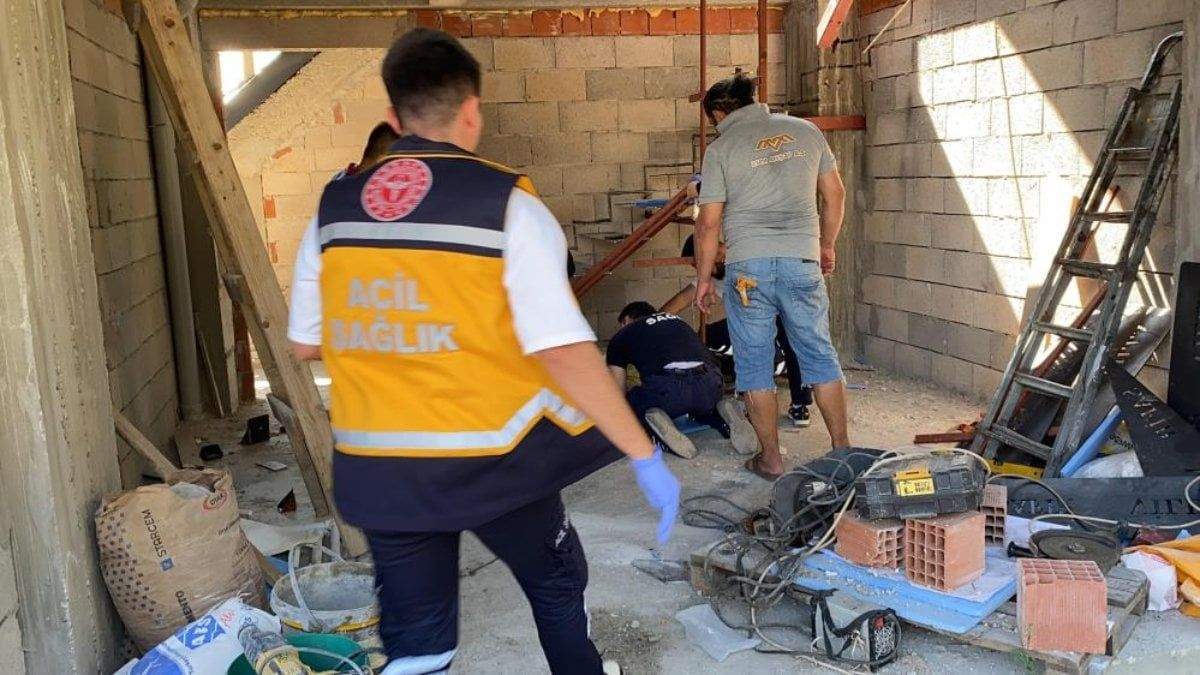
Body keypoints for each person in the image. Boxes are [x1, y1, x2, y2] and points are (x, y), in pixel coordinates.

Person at [286, 29, 679, 675]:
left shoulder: (333, 207)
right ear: (473, 110)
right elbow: (564, 350)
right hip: (494, 461)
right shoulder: (507, 205)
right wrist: (642, 453)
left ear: (392, 117)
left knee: (419, 646)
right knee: (556, 581)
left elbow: (306, 342)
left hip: (379, 467)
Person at [693, 72, 851, 481]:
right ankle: (842, 451)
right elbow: (835, 194)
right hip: (802, 260)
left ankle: (772, 460)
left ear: (719, 112)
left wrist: (704, 279)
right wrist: (826, 245)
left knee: (754, 365)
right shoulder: (806, 131)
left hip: (749, 270)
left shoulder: (721, 149)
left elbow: (708, 223)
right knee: (819, 354)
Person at [662, 235, 815, 427]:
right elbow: (681, 300)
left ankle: (800, 402)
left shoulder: (747, 254)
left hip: (780, 314)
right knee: (706, 334)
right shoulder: (714, 274)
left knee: (793, 337)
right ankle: (740, 374)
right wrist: (650, 323)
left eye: (698, 264)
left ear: (713, 251)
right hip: (749, 323)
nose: (700, 270)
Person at [607, 301, 758, 458]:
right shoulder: (677, 321)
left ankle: (656, 426)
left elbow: (618, 392)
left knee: (632, 403)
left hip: (670, 389)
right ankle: (721, 415)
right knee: (698, 406)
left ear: (627, 320)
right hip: (711, 385)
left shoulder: (623, 335)